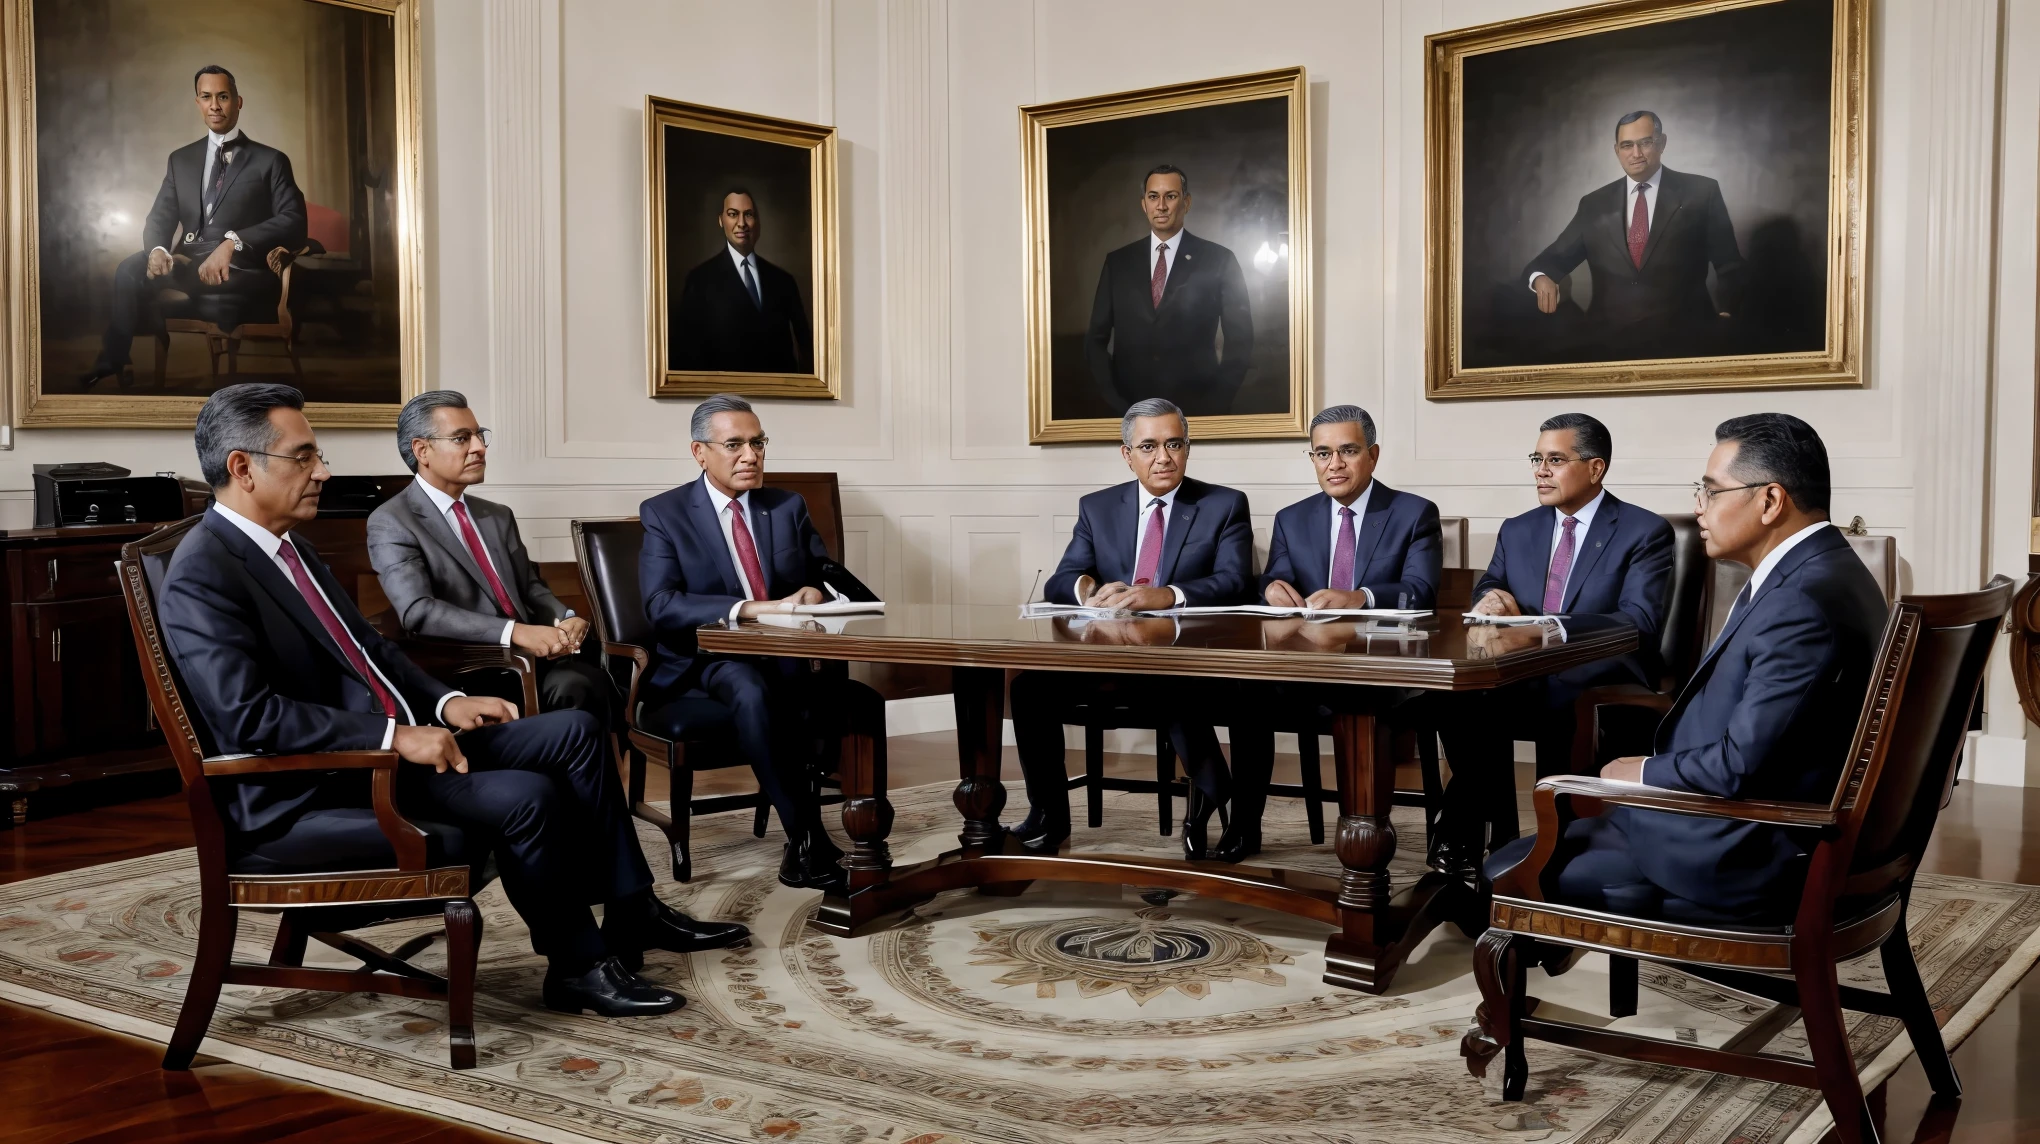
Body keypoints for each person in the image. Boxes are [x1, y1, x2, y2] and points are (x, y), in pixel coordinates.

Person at [156, 384, 748, 1019]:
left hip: (387, 752)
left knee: (574, 728)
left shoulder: (289, 544)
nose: (323, 470)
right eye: (304, 457)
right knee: (528, 796)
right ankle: (576, 966)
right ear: (242, 468)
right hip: (320, 788)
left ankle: (632, 910)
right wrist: (394, 738)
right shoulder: (204, 570)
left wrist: (445, 704)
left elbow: (370, 650)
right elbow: (248, 717)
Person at [1487, 414, 1886, 920]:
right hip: (1749, 823)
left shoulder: (1800, 602)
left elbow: (1739, 765)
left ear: (1770, 501)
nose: (1698, 508)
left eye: (1711, 491)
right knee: (1558, 835)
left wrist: (1643, 771)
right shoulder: (1828, 572)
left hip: (1741, 851)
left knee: (1505, 870)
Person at [638, 393, 884, 894]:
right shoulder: (665, 512)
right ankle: (807, 838)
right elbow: (661, 604)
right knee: (750, 689)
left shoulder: (786, 506)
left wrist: (814, 591)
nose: (750, 456)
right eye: (734, 445)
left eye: (758, 443)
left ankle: (869, 837)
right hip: (707, 657)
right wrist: (750, 609)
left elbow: (821, 575)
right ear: (699, 451)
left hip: (786, 652)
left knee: (861, 700)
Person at [1008, 397, 1255, 859]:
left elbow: (1237, 582)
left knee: (1174, 687)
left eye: (1174, 444)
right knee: (1028, 689)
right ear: (1127, 454)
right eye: (1149, 446)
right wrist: (1089, 590)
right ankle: (1048, 816)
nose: (1163, 457)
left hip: (1184, 661)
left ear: (1187, 448)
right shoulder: (1098, 508)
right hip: (1108, 656)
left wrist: (1167, 594)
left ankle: (1209, 793)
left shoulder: (1223, 504)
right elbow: (1063, 578)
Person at [1434, 413, 1674, 863]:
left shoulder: (1644, 531)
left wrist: (1554, 627)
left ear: (1595, 468)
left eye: (1556, 460)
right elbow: (1490, 584)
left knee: (1557, 693)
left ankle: (1552, 844)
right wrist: (1491, 599)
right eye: (1536, 459)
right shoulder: (1519, 527)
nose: (1540, 471)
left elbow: (1638, 622)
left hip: (1600, 671)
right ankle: (1494, 834)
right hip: (1524, 671)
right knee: (1462, 698)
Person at [1215, 404, 1444, 861]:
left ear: (1373, 455)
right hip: (1305, 668)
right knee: (1245, 694)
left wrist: (1359, 596)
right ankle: (1244, 827)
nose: (1334, 464)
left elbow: (1420, 593)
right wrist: (1272, 589)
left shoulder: (1414, 513)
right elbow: (1272, 580)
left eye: (1347, 451)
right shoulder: (1292, 517)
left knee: (1357, 701)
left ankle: (1362, 835)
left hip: (1381, 670)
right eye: (1322, 453)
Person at [367, 390, 611, 723]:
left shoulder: (496, 515)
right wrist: (515, 632)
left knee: (604, 675)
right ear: (422, 450)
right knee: (578, 686)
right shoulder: (392, 521)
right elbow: (418, 612)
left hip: (531, 657)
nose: (479, 447)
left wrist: (564, 616)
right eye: (461, 438)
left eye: (479, 435)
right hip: (468, 667)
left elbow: (530, 587)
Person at [81, 65, 308, 389]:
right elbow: (160, 216)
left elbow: (294, 219)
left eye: (223, 96)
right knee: (128, 271)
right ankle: (114, 361)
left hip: (240, 267)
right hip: (186, 262)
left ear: (238, 102)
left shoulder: (270, 160)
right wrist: (158, 250)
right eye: (206, 97)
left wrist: (233, 243)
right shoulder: (181, 159)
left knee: (216, 289)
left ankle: (220, 380)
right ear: (198, 103)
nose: (215, 105)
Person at [1523, 111, 1746, 359]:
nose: (1636, 153)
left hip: (1688, 344)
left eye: (1645, 142)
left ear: (1662, 143)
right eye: (1627, 145)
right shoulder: (1594, 204)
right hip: (1609, 348)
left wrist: (1727, 315)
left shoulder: (1702, 192)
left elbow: (1730, 265)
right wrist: (1541, 277)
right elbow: (1550, 261)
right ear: (1616, 150)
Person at [1084, 165, 1254, 416]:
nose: (1161, 206)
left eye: (1170, 196)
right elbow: (1095, 341)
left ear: (1186, 202)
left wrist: (1215, 404)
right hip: (1130, 412)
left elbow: (1241, 341)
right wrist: (1114, 401)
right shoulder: (1118, 263)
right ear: (1144, 204)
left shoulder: (1219, 259)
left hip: (1198, 411)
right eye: (1153, 197)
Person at [669, 190, 813, 373]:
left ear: (757, 222)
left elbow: (807, 351)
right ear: (721, 220)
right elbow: (684, 354)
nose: (742, 223)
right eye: (733, 214)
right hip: (726, 395)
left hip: (781, 394)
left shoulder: (783, 281)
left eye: (749, 215)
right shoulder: (699, 280)